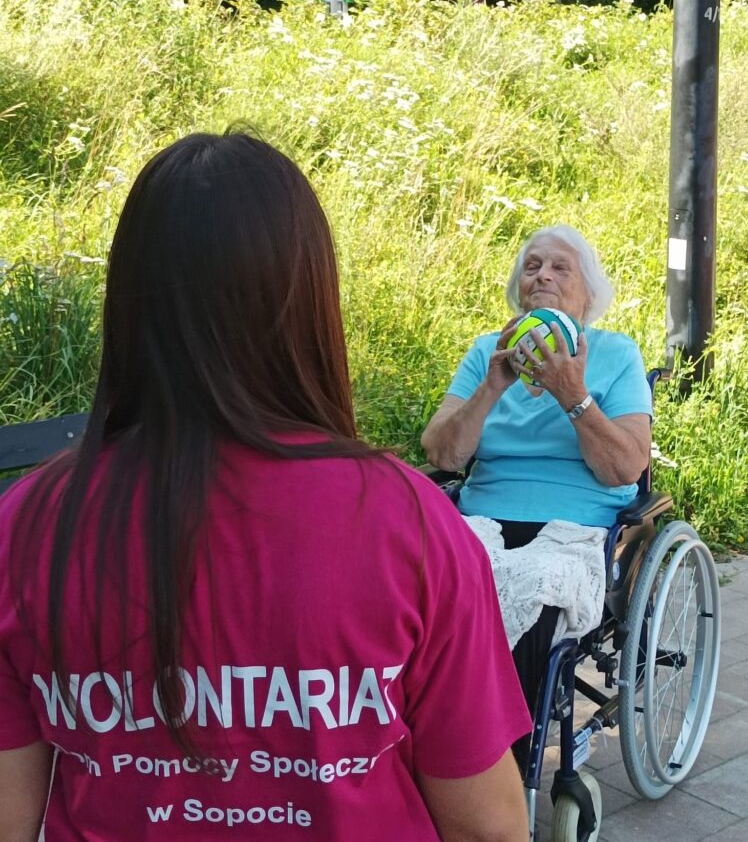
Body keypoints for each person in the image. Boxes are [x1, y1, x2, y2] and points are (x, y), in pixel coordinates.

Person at [0, 132, 531, 842]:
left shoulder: (26, 525)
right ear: (307, 299)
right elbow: (486, 829)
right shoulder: (409, 522)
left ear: (129, 300)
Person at [421, 224, 652, 768]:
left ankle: (504, 768)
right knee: (427, 581)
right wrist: (493, 386)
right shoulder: (486, 352)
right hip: (483, 516)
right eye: (532, 266)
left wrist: (573, 395)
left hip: (575, 526)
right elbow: (441, 453)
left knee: (534, 585)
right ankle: (432, 749)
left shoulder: (617, 355)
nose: (542, 275)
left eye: (559, 267)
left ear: (587, 295)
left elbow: (625, 465)